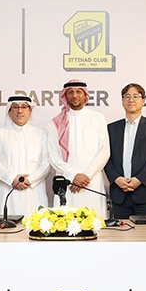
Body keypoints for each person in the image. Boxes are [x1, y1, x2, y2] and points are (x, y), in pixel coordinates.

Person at [46, 80, 111, 217]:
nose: (75, 95)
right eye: (70, 92)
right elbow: (53, 156)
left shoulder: (98, 118)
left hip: (91, 182)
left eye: (78, 92)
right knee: (63, 223)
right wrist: (73, 176)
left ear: (85, 95)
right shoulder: (55, 123)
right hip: (67, 183)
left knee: (94, 223)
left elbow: (104, 151)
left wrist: (86, 176)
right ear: (65, 96)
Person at [104, 83, 146, 218]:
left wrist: (139, 179)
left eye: (136, 96)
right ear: (122, 101)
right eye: (127, 96)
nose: (131, 100)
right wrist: (116, 178)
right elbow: (105, 157)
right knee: (120, 231)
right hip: (119, 195)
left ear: (143, 101)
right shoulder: (112, 128)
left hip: (145, 194)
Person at [0, 95, 50, 216]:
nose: (20, 111)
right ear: (9, 111)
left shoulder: (40, 133)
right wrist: (12, 179)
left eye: (24, 107)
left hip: (33, 193)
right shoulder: (0, 133)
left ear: (30, 110)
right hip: (6, 191)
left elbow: (46, 162)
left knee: (35, 224)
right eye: (15, 107)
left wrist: (30, 179)